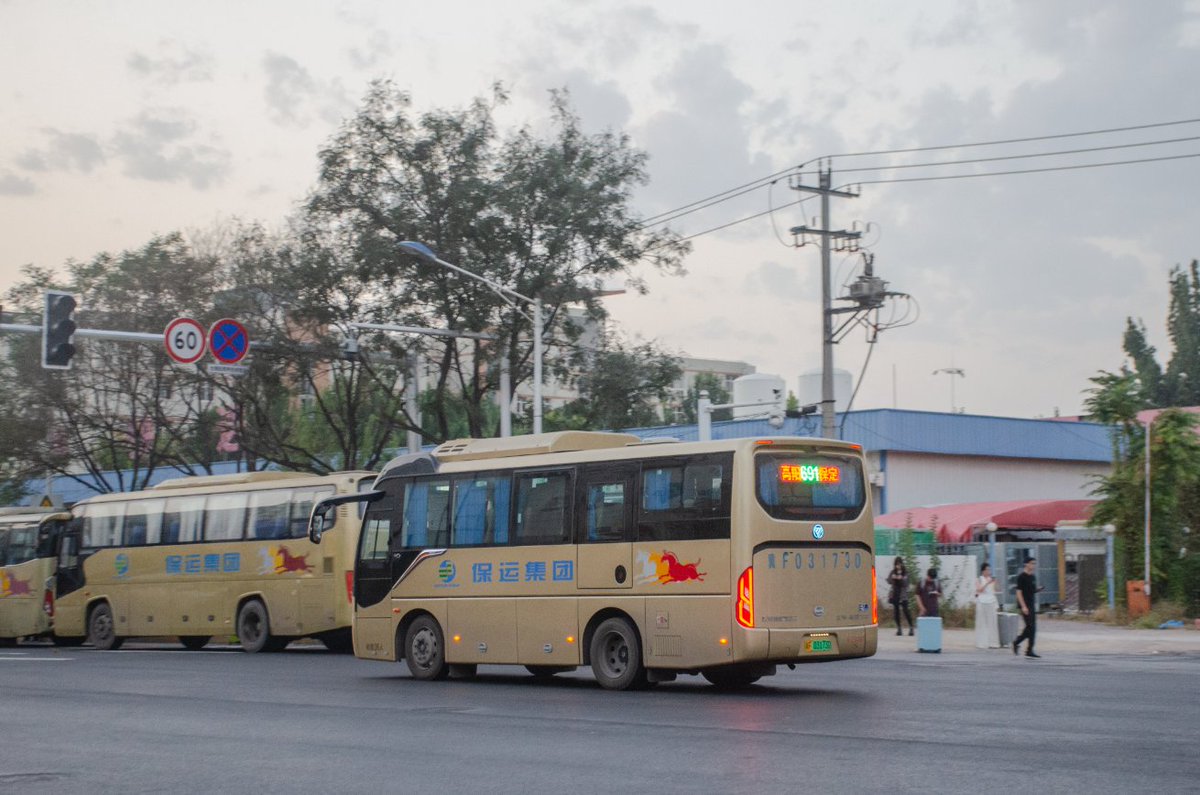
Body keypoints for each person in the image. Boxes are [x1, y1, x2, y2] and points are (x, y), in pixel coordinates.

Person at [1013, 556, 1040, 658]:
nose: (1033, 565)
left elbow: (1032, 590)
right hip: (1024, 604)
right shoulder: (1021, 577)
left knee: (1033, 628)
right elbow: (1019, 593)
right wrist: (1023, 606)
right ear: (1026, 564)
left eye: (1034, 563)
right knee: (1030, 626)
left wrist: (1038, 589)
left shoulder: (1033, 577)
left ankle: (1029, 649)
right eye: (1032, 563)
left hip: (1032, 603)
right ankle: (1017, 642)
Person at [974, 562, 1000, 649]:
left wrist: (995, 583)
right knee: (982, 623)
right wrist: (987, 583)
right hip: (982, 602)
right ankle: (982, 642)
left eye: (989, 569)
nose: (989, 571)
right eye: (987, 569)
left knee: (992, 622)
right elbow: (979, 590)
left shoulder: (990, 579)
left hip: (991, 601)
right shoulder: (979, 579)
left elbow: (995, 590)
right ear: (983, 570)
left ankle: (993, 642)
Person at [886, 557, 914, 636]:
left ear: (901, 564)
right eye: (896, 564)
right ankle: (899, 628)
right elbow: (888, 581)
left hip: (903, 595)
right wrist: (892, 578)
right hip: (895, 594)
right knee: (896, 612)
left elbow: (906, 583)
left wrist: (901, 578)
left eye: (899, 564)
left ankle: (911, 627)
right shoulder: (893, 572)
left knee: (906, 611)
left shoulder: (905, 572)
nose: (898, 566)